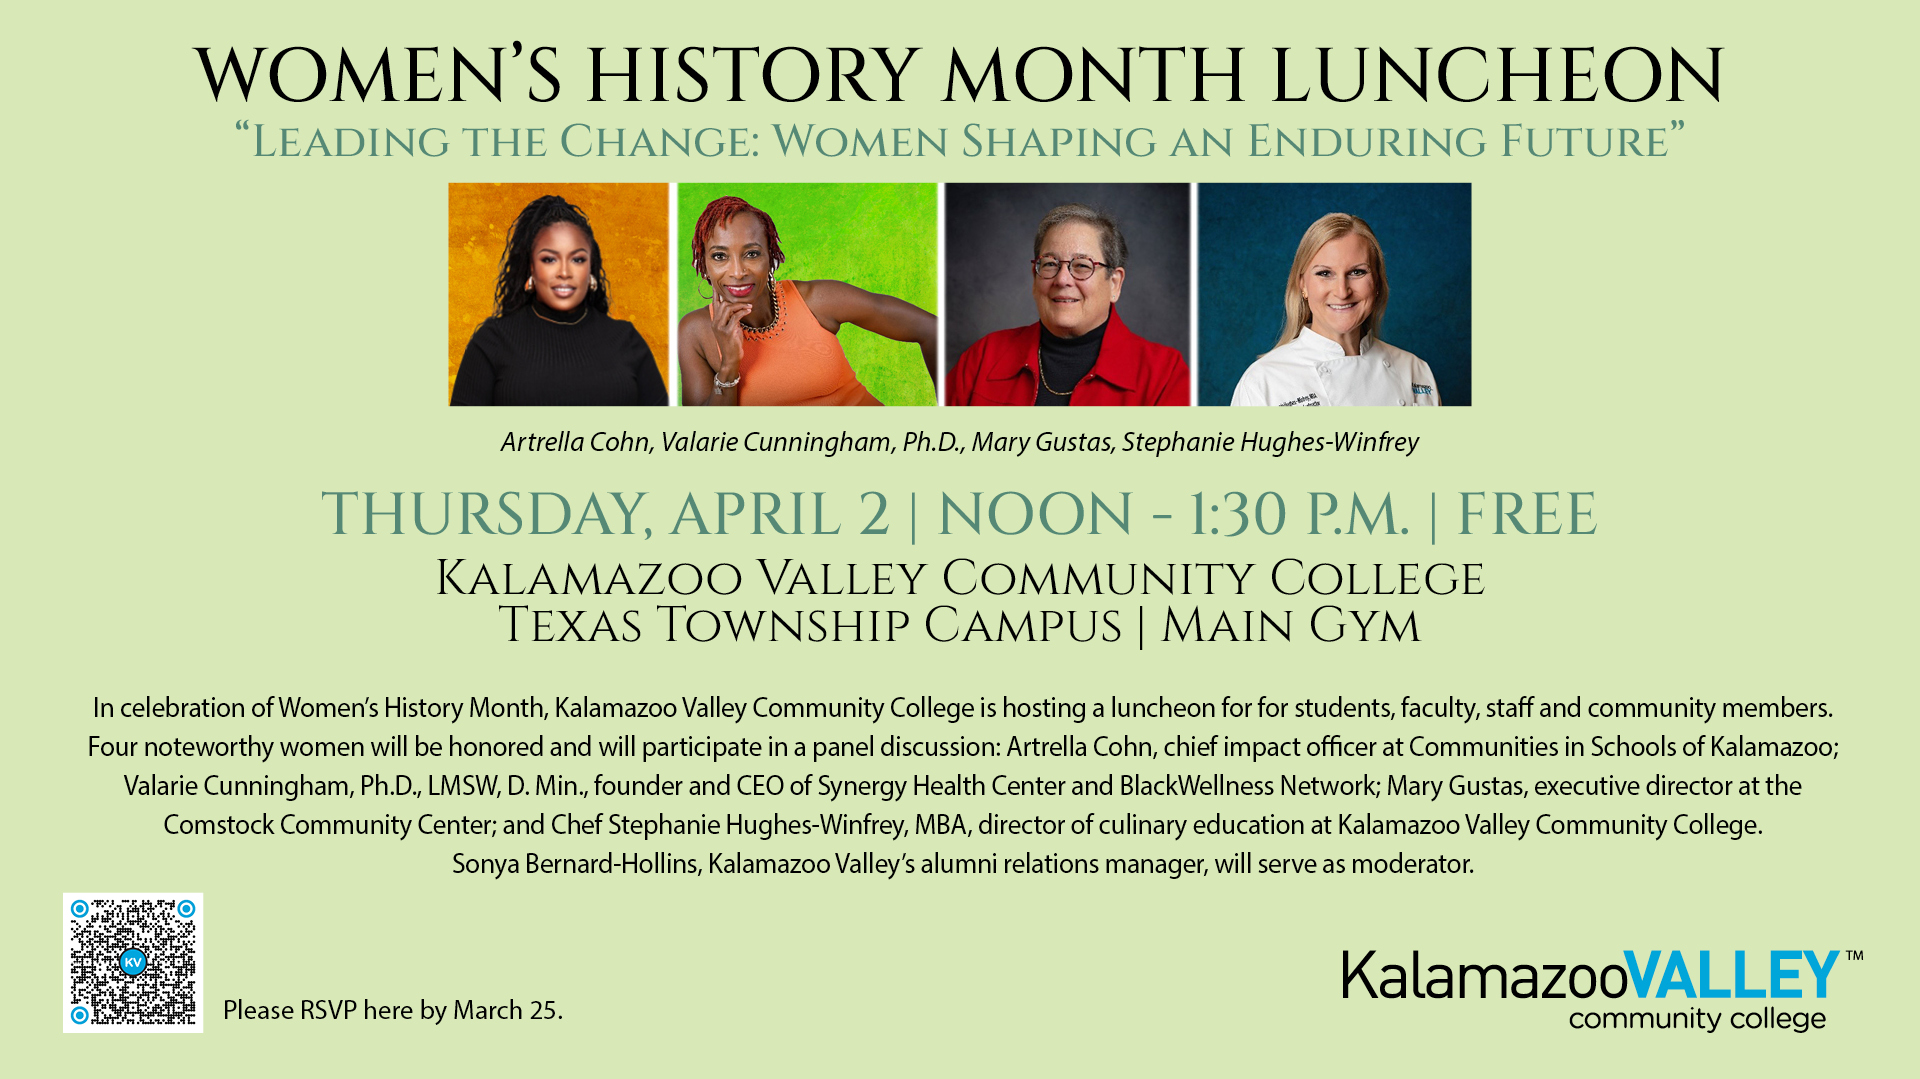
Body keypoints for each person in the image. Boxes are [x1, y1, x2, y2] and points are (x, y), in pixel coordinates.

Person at [678, 196, 937, 406]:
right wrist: (729, 365)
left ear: (771, 256)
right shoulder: (696, 332)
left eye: (752, 254)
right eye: (720, 256)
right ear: (704, 264)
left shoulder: (815, 301)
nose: (737, 271)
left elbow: (931, 330)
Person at [946, 203, 1188, 407]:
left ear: (1114, 283)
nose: (1062, 279)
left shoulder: (1164, 374)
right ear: (1035, 276)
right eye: (1050, 264)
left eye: (1082, 265)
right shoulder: (983, 357)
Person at [451, 196, 668, 406]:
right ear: (531, 268)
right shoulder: (492, 341)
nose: (564, 272)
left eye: (577, 259)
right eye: (549, 259)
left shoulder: (626, 340)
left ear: (590, 268)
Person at [1230, 212, 1440, 407]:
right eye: (1324, 273)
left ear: (1376, 282)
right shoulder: (1263, 382)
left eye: (1357, 272)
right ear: (1302, 285)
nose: (1342, 291)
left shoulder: (1416, 371)